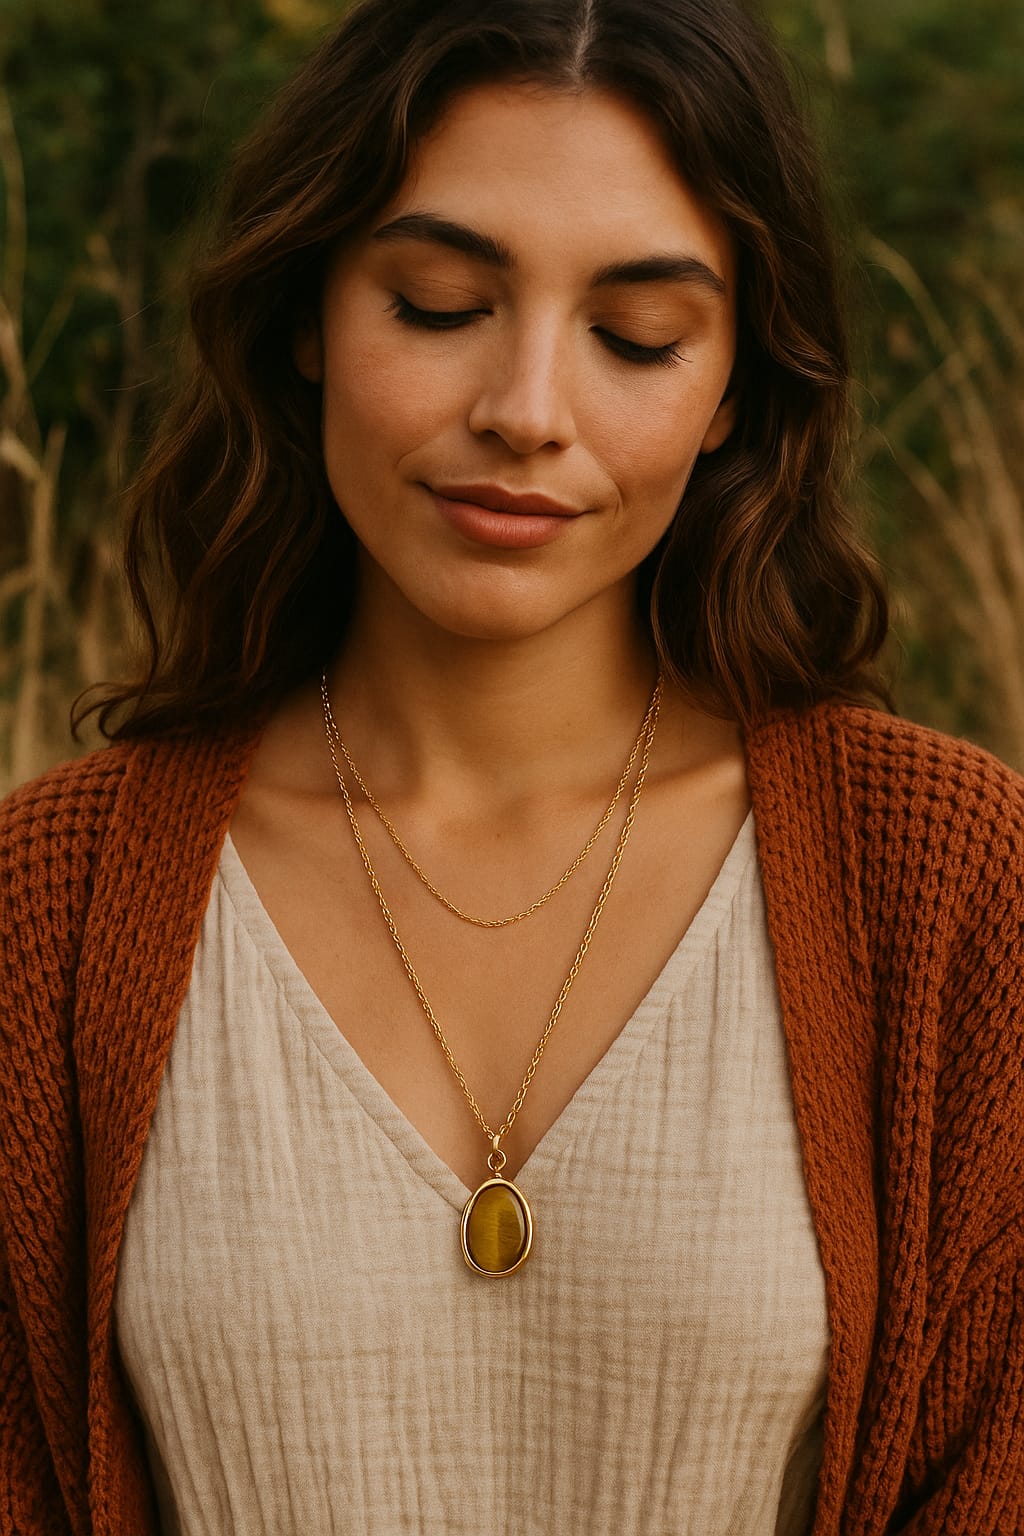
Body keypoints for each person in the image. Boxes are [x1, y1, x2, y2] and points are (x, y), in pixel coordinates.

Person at [1, 0, 1022, 1530]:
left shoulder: (948, 877)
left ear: (733, 388)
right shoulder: (47, 902)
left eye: (638, 335)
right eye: (436, 307)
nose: (526, 413)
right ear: (306, 314)